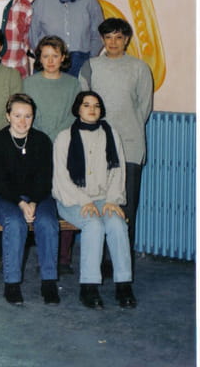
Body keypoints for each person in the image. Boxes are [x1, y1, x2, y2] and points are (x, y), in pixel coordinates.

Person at [53, 91, 137, 309]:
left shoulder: (111, 134)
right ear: (77, 109)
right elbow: (62, 178)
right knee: (94, 225)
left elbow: (118, 171)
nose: (92, 109)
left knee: (117, 224)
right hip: (72, 200)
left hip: (103, 198)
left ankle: (123, 284)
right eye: (86, 105)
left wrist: (112, 200)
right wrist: (84, 201)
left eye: (96, 105)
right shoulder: (65, 137)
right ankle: (88, 286)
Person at [79, 18, 153, 254]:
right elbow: (84, 106)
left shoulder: (139, 68)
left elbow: (144, 108)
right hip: (98, 148)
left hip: (130, 147)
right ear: (102, 39)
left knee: (126, 209)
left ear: (126, 39)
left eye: (118, 37)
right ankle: (100, 261)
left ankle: (122, 263)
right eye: (108, 37)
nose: (113, 42)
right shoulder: (90, 66)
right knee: (100, 207)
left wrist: (126, 130)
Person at [0, 94, 59, 305]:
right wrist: (20, 203)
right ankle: (12, 283)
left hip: (38, 196)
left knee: (48, 222)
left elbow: (45, 178)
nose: (22, 121)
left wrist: (33, 202)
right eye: (17, 115)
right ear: (7, 116)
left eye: (28, 116)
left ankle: (49, 282)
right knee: (15, 222)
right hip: (5, 197)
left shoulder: (42, 141)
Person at [23, 35, 81, 274]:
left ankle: (63, 258)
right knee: (39, 199)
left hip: (64, 146)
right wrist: (39, 140)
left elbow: (74, 116)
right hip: (36, 147)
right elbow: (26, 115)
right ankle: (43, 254)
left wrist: (60, 140)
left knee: (64, 199)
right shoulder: (29, 83)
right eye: (45, 56)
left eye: (55, 56)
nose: (50, 61)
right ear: (39, 58)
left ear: (63, 57)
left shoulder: (73, 84)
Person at [30, 0, 104, 75]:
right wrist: (45, 57)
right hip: (49, 64)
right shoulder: (41, 2)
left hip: (80, 64)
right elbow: (32, 34)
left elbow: (98, 35)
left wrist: (89, 60)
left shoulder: (90, 3)